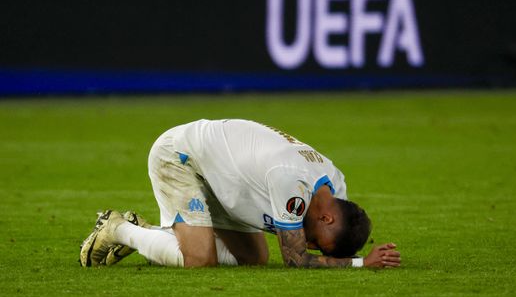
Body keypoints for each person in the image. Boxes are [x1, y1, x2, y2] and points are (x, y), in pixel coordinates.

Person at [79, 119, 401, 269]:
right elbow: (296, 259)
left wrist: (352, 256)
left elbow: (311, 249)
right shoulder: (292, 182)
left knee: (254, 259)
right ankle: (118, 228)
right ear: (327, 217)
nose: (311, 244)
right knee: (200, 260)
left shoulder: (335, 187)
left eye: (316, 245)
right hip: (181, 157)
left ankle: (151, 231)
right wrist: (361, 265)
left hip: (227, 180)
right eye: (318, 241)